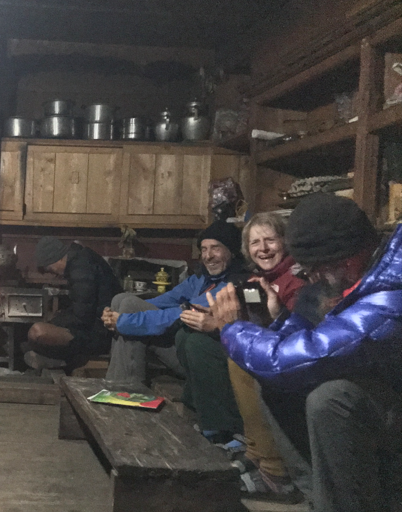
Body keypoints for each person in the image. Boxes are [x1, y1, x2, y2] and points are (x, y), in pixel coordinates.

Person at [209, 194, 401, 512]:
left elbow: (291, 360)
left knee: (332, 397)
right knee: (283, 384)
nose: (309, 276)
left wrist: (231, 328)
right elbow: (320, 347)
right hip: (388, 396)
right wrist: (279, 319)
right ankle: (314, 494)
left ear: (347, 259)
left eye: (313, 268)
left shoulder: (389, 299)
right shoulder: (366, 277)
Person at [103, 220, 247, 446]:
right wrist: (117, 314)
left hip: (205, 358)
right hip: (184, 348)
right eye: (204, 249)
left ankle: (122, 397)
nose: (208, 256)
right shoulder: (201, 279)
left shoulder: (233, 284)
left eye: (216, 248)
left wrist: (125, 321)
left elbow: (181, 315)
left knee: (130, 310)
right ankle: (119, 392)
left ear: (232, 251)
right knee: (123, 300)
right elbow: (162, 302)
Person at [222, 213, 306, 498]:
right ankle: (256, 453)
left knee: (244, 362)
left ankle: (275, 473)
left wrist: (276, 313)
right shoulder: (256, 280)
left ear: (285, 241)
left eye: (270, 240)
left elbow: (300, 333)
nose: (264, 248)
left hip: (296, 363)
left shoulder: (297, 278)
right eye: (255, 242)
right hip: (275, 353)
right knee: (235, 354)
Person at [25, 236, 122, 371]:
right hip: (97, 329)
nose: (53, 273)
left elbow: (82, 317)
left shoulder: (81, 269)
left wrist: (54, 324)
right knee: (35, 339)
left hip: (100, 334)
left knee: (37, 332)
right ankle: (55, 359)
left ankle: (66, 361)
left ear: (58, 258)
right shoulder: (80, 260)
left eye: (50, 268)